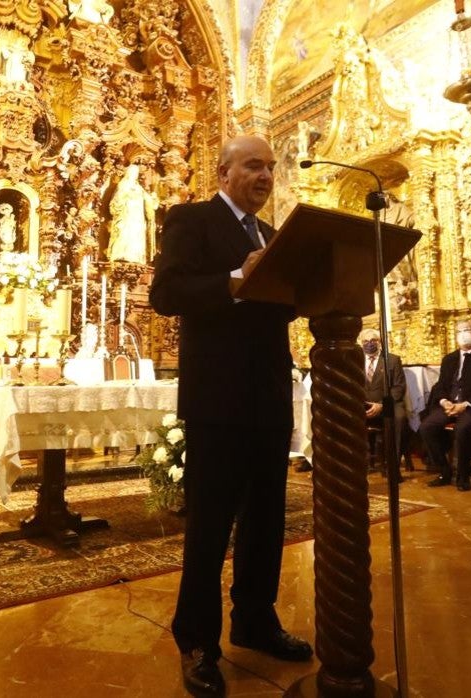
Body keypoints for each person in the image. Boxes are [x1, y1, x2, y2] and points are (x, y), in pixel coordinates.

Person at [149, 135, 309, 698]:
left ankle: (255, 621)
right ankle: (196, 641)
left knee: (267, 518)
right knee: (211, 524)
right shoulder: (190, 219)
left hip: (267, 393)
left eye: (270, 166)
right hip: (217, 397)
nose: (266, 175)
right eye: (253, 165)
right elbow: (165, 293)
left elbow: (286, 305)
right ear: (223, 171)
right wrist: (236, 282)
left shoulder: (272, 237)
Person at [418, 319, 471, 490]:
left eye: (467, 329)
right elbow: (441, 385)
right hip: (450, 405)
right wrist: (444, 401)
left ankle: (463, 476)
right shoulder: (449, 359)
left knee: (462, 428)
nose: (463, 334)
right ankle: (444, 470)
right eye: (459, 331)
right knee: (427, 427)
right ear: (455, 335)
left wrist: (465, 405)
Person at [359, 327, 407, 471]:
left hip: (388, 403)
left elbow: (399, 387)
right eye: (365, 341)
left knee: (399, 418)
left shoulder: (392, 360)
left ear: (379, 342)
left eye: (373, 340)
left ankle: (393, 466)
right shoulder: (355, 360)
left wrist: (381, 405)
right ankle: (359, 462)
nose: (369, 344)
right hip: (364, 403)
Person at [107, 164, 158, 265]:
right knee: (125, 232)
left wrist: (153, 199)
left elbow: (147, 202)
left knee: (136, 234)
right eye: (133, 172)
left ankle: (135, 256)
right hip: (126, 215)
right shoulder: (123, 185)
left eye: (136, 173)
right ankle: (122, 254)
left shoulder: (139, 188)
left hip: (137, 217)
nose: (135, 175)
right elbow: (116, 201)